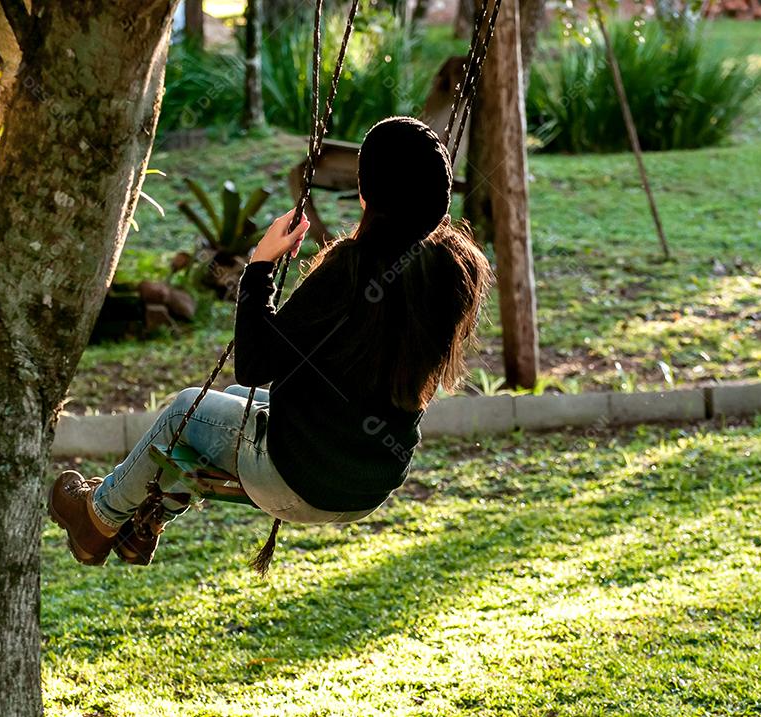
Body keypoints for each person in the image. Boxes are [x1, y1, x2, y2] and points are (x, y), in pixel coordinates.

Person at [49, 116, 492, 566]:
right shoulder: (457, 270)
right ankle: (145, 521)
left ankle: (97, 518)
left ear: (365, 193)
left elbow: (258, 362)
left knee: (188, 409)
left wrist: (260, 267)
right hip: (370, 483)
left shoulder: (352, 269)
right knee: (239, 400)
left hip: (301, 480)